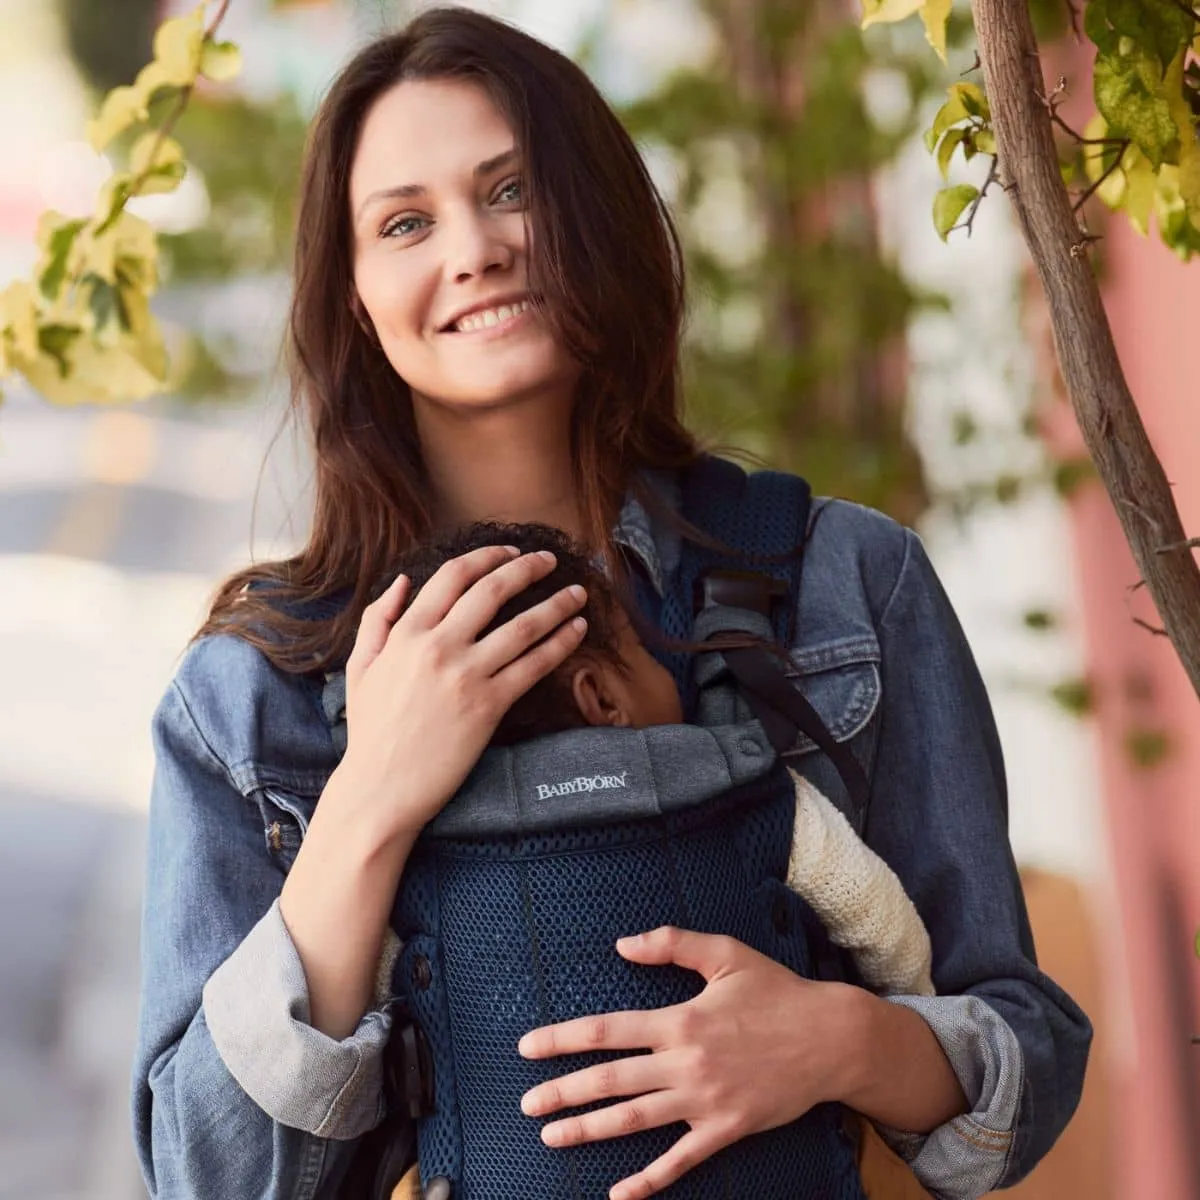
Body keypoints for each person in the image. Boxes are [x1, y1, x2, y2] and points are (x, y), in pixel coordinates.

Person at [130, 8, 1091, 1200]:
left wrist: (838, 1042)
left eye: (514, 189)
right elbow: (202, 1177)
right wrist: (369, 801)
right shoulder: (251, 693)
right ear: (357, 303)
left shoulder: (845, 581)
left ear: (597, 212)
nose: (473, 249)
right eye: (406, 223)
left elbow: (1026, 1054)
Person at [364, 517, 938, 1200]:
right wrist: (910, 1005)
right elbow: (879, 920)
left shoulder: (421, 849)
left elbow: (367, 1001)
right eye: (642, 653)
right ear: (601, 698)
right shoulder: (744, 786)